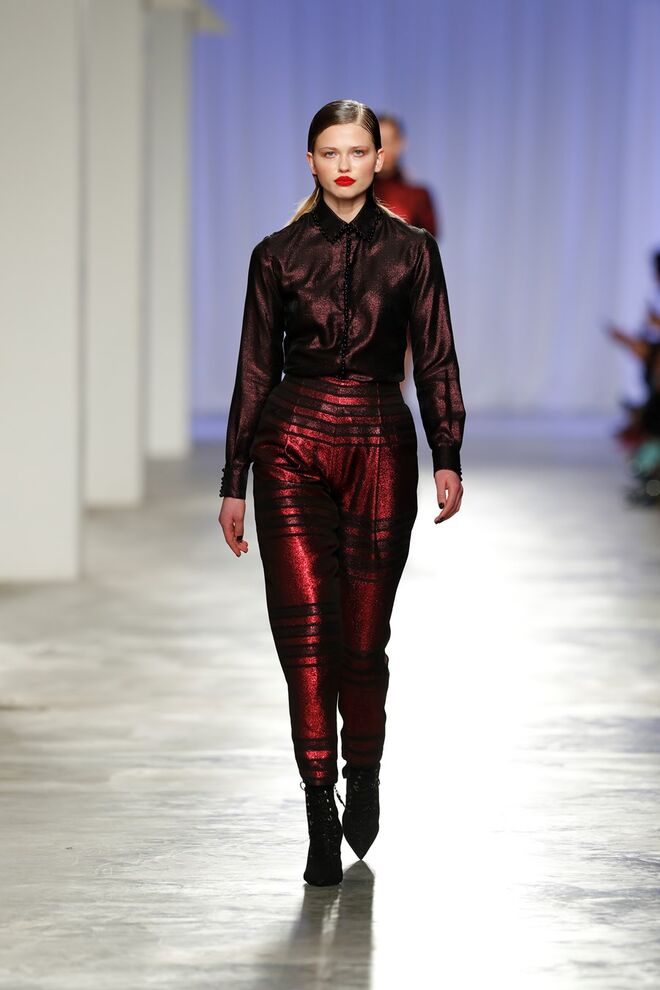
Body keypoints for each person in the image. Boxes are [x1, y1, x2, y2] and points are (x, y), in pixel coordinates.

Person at [218, 99, 466, 887]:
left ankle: (364, 770)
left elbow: (436, 356)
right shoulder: (276, 255)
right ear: (311, 162)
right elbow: (255, 368)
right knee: (306, 643)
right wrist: (233, 479)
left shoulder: (413, 253)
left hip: (380, 447)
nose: (345, 165)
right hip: (289, 445)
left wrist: (448, 452)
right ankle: (318, 813)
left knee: (362, 643)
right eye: (330, 152)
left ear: (378, 159)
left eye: (357, 151)